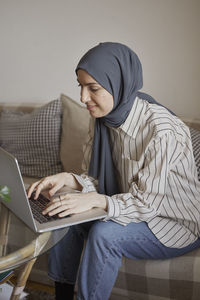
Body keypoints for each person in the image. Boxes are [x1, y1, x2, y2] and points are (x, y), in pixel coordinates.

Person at [27, 42, 200, 300]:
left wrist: (95, 200)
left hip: (173, 223)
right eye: (81, 86)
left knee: (105, 234)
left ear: (119, 83)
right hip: (132, 207)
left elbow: (147, 203)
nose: (84, 98)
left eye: (93, 88)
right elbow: (97, 179)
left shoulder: (161, 130)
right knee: (64, 210)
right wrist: (69, 180)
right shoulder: (102, 119)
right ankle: (61, 295)